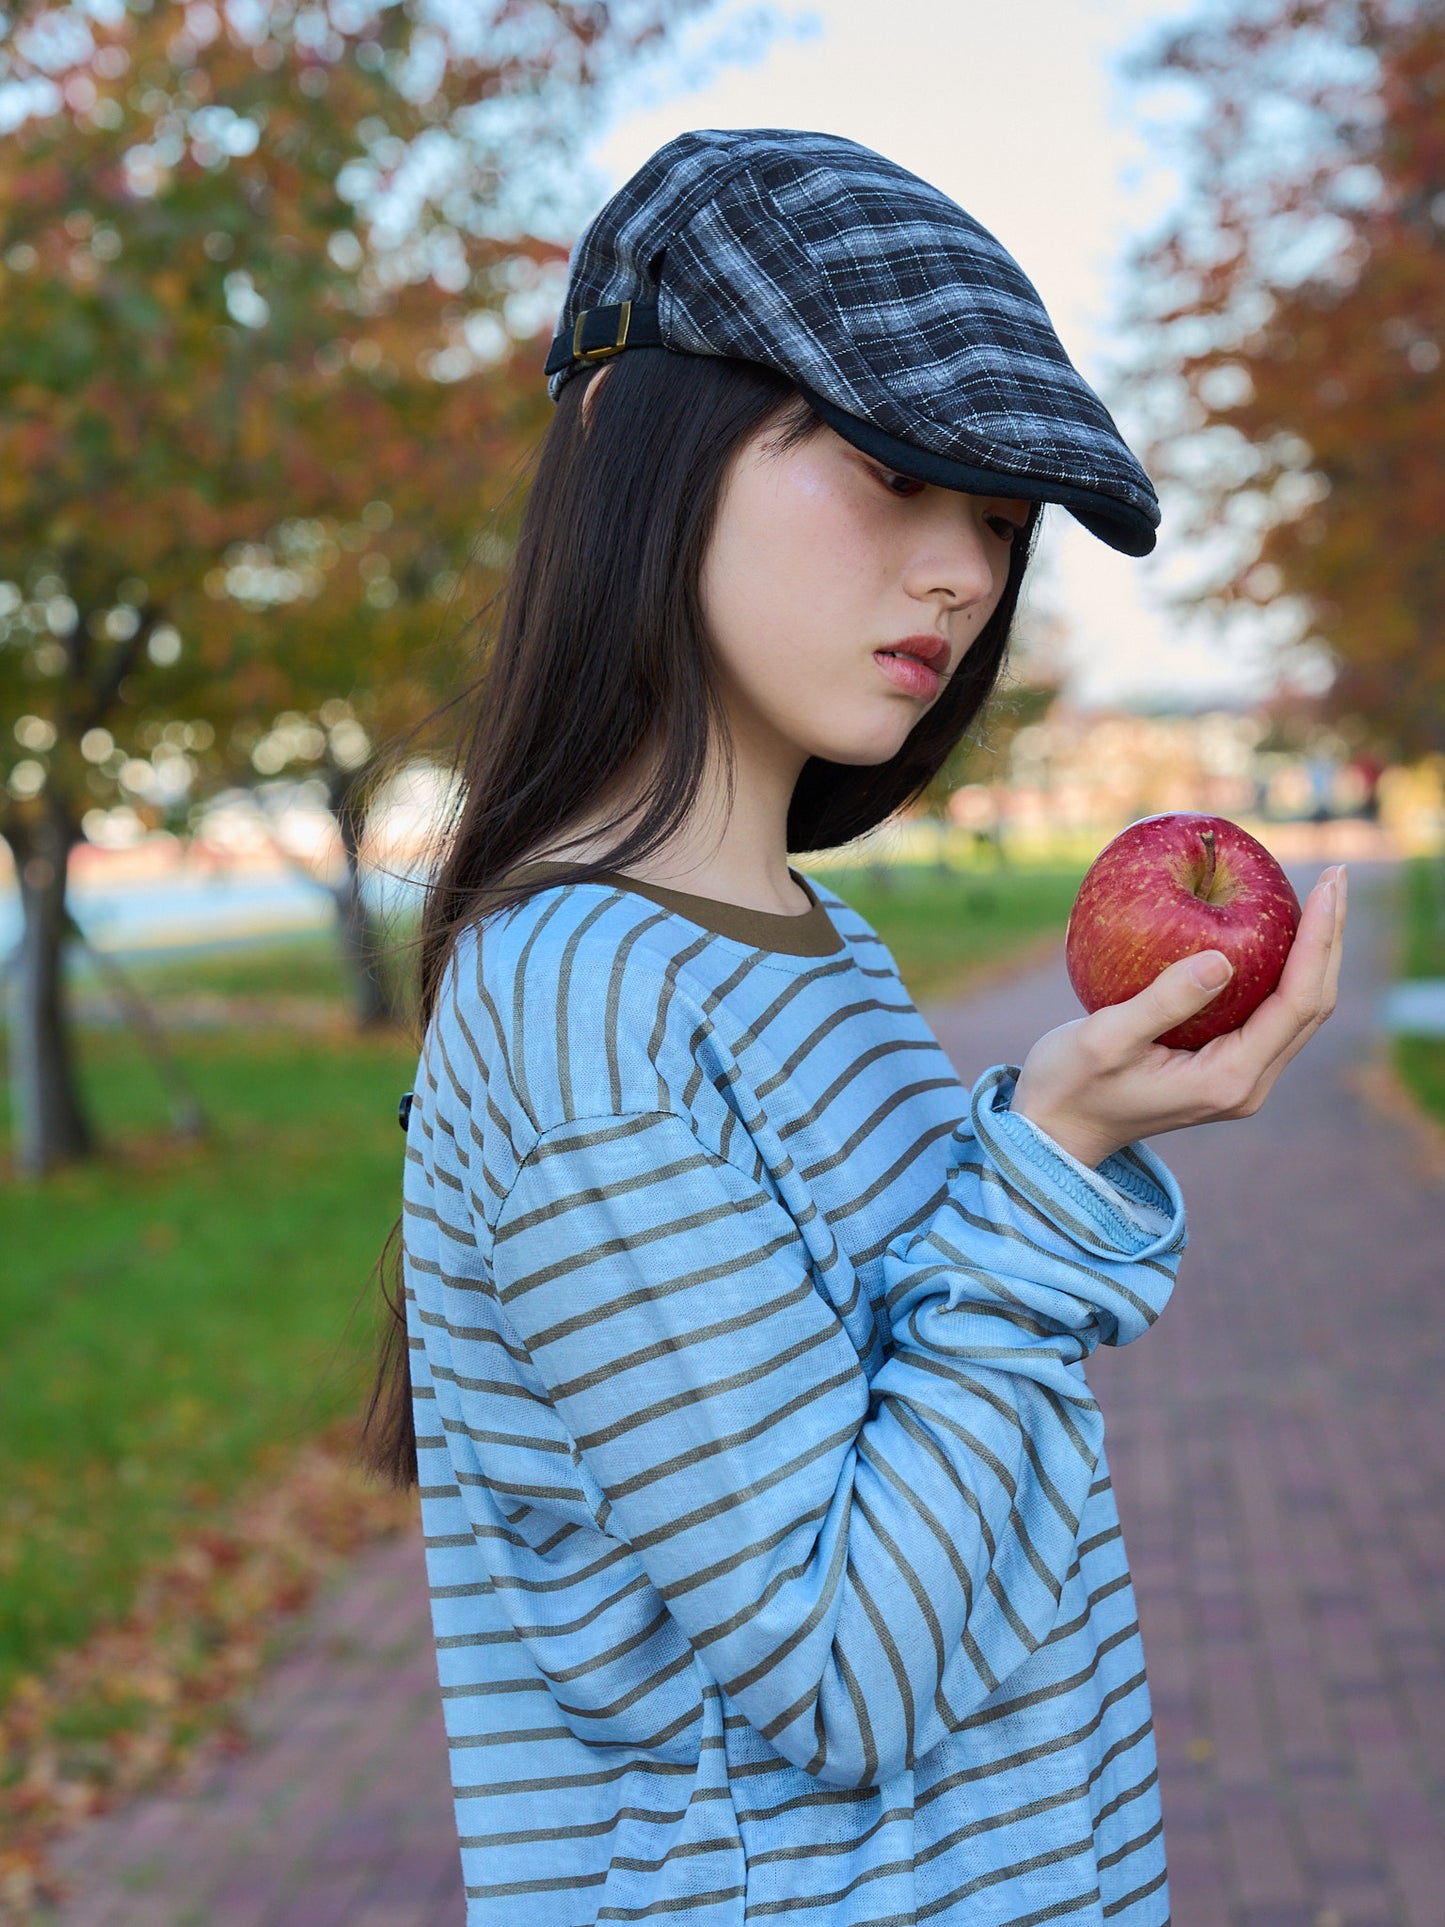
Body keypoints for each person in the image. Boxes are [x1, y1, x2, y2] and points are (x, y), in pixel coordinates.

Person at [364, 129, 1346, 1926]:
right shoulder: (585, 1000)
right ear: (622, 437)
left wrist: (1075, 1147)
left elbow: (936, 1489)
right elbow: (841, 1676)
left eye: (992, 519)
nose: (963, 574)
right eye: (894, 473)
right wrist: (1052, 1162)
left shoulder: (819, 948)